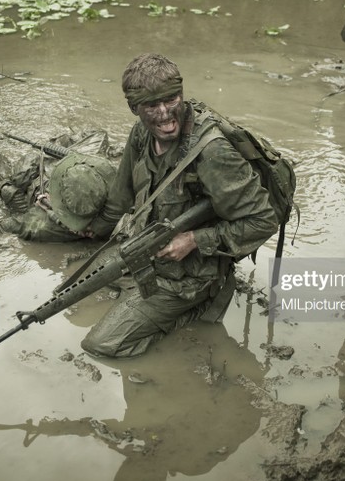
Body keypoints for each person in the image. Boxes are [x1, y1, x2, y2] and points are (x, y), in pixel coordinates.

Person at [81, 53, 278, 358]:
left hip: (189, 278)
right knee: (77, 287)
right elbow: (121, 196)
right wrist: (92, 229)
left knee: (100, 345)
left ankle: (198, 309)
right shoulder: (141, 133)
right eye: (151, 106)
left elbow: (263, 221)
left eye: (172, 99)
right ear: (135, 109)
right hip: (145, 253)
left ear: (181, 94)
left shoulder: (212, 152)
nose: (164, 114)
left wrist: (194, 240)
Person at [0, 132, 118, 242]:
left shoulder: (44, 224)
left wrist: (50, 210)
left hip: (35, 188)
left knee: (11, 184)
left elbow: (2, 226)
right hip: (58, 174)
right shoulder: (121, 200)